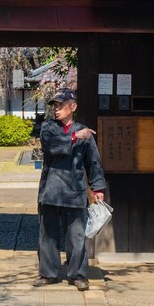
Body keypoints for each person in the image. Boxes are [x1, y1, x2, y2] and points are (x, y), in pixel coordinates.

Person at [34, 87, 106, 291]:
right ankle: (48, 273)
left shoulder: (85, 132)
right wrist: (75, 137)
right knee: (47, 235)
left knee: (76, 236)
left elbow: (93, 162)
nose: (56, 109)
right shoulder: (48, 127)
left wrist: (98, 186)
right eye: (55, 105)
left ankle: (78, 274)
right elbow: (49, 145)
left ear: (72, 106)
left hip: (75, 190)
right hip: (50, 188)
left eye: (60, 105)